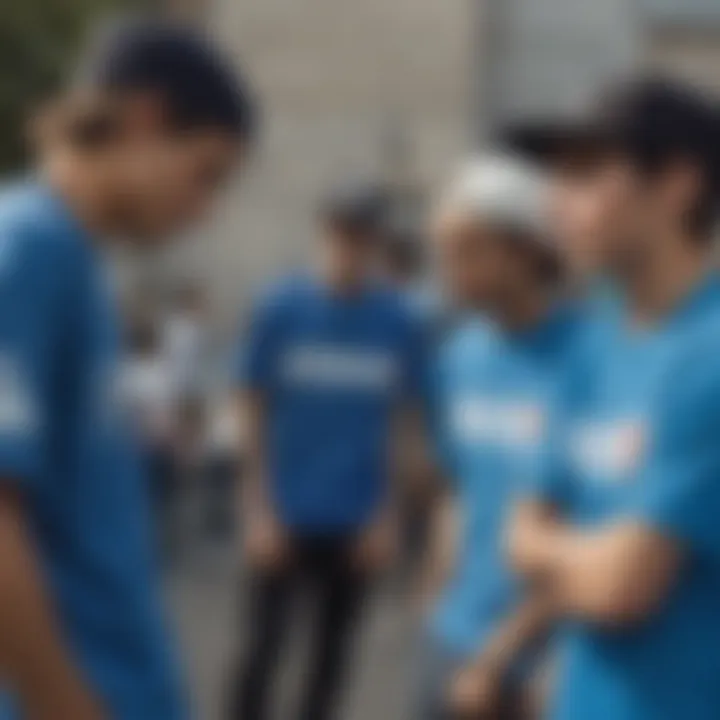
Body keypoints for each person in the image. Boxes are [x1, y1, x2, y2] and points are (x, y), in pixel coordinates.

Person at [0, 17, 256, 720]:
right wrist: (63, 703)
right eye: (206, 174)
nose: (203, 211)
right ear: (144, 120)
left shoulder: (77, 263)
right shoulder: (27, 251)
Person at [506, 77, 720, 720]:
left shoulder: (709, 355)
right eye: (554, 178)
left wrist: (553, 552)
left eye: (585, 174)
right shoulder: (593, 347)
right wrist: (571, 555)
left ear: (677, 185)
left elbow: (619, 588)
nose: (554, 204)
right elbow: (515, 535)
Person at [228, 180, 426, 720]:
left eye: (363, 236)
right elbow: (251, 409)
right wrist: (255, 510)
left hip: (356, 520)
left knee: (331, 660)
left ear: (377, 243)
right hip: (284, 513)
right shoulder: (280, 307)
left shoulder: (399, 320)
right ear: (323, 232)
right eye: (341, 233)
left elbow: (403, 424)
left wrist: (390, 517)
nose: (350, 247)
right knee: (261, 653)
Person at [415, 155, 578, 720]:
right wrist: (437, 600)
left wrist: (501, 655)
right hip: (452, 640)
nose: (446, 269)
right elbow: (456, 488)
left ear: (525, 250)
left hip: (542, 658)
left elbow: (591, 525)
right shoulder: (461, 355)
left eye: (465, 250)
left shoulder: (591, 359)